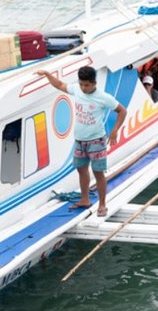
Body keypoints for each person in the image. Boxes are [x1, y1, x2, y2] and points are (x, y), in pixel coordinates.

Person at [35, 66, 126, 217]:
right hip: (79, 140)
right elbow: (59, 85)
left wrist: (115, 130)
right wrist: (46, 74)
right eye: (82, 84)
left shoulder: (103, 97)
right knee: (81, 170)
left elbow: (122, 111)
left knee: (98, 173)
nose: (84, 88)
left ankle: (102, 205)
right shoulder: (76, 89)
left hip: (96, 140)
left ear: (94, 83)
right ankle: (85, 199)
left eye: (87, 85)